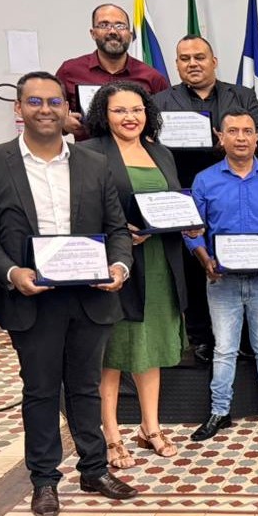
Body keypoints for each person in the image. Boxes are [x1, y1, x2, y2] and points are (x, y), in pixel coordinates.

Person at [0, 71, 137, 516]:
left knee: (85, 387)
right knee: (41, 390)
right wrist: (11, 272)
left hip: (90, 295)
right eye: (36, 102)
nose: (46, 110)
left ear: (67, 109)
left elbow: (116, 230)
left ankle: (94, 469)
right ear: (18, 110)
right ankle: (44, 480)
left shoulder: (94, 163)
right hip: (31, 297)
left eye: (54, 102)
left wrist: (119, 267)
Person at [79, 82, 192, 467]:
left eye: (137, 109)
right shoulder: (89, 153)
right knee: (114, 351)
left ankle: (150, 427)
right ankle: (111, 434)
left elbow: (170, 201)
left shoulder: (160, 152)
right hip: (120, 266)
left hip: (161, 263)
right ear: (103, 115)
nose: (130, 117)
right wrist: (117, 234)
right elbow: (81, 210)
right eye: (119, 111)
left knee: (152, 347)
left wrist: (187, 224)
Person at [154, 35, 258, 364]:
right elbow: (150, 145)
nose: (192, 63)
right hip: (187, 196)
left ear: (214, 61)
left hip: (239, 192)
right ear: (177, 64)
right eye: (184, 58)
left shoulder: (243, 95)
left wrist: (224, 144)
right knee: (198, 266)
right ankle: (202, 337)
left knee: (245, 262)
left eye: (199, 57)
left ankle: (250, 338)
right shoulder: (161, 101)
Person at [185, 111, 258, 442]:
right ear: (220, 137)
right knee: (224, 348)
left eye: (247, 131)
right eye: (233, 131)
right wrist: (203, 257)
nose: (240, 137)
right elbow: (192, 230)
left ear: (256, 138)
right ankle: (219, 412)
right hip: (222, 279)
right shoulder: (205, 181)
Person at [56, 4, 169, 140]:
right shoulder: (70, 71)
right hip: (87, 157)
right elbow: (49, 115)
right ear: (93, 33)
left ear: (130, 34)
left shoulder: (152, 77)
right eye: (104, 25)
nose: (113, 31)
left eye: (120, 26)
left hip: (136, 158)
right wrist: (62, 123)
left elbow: (165, 124)